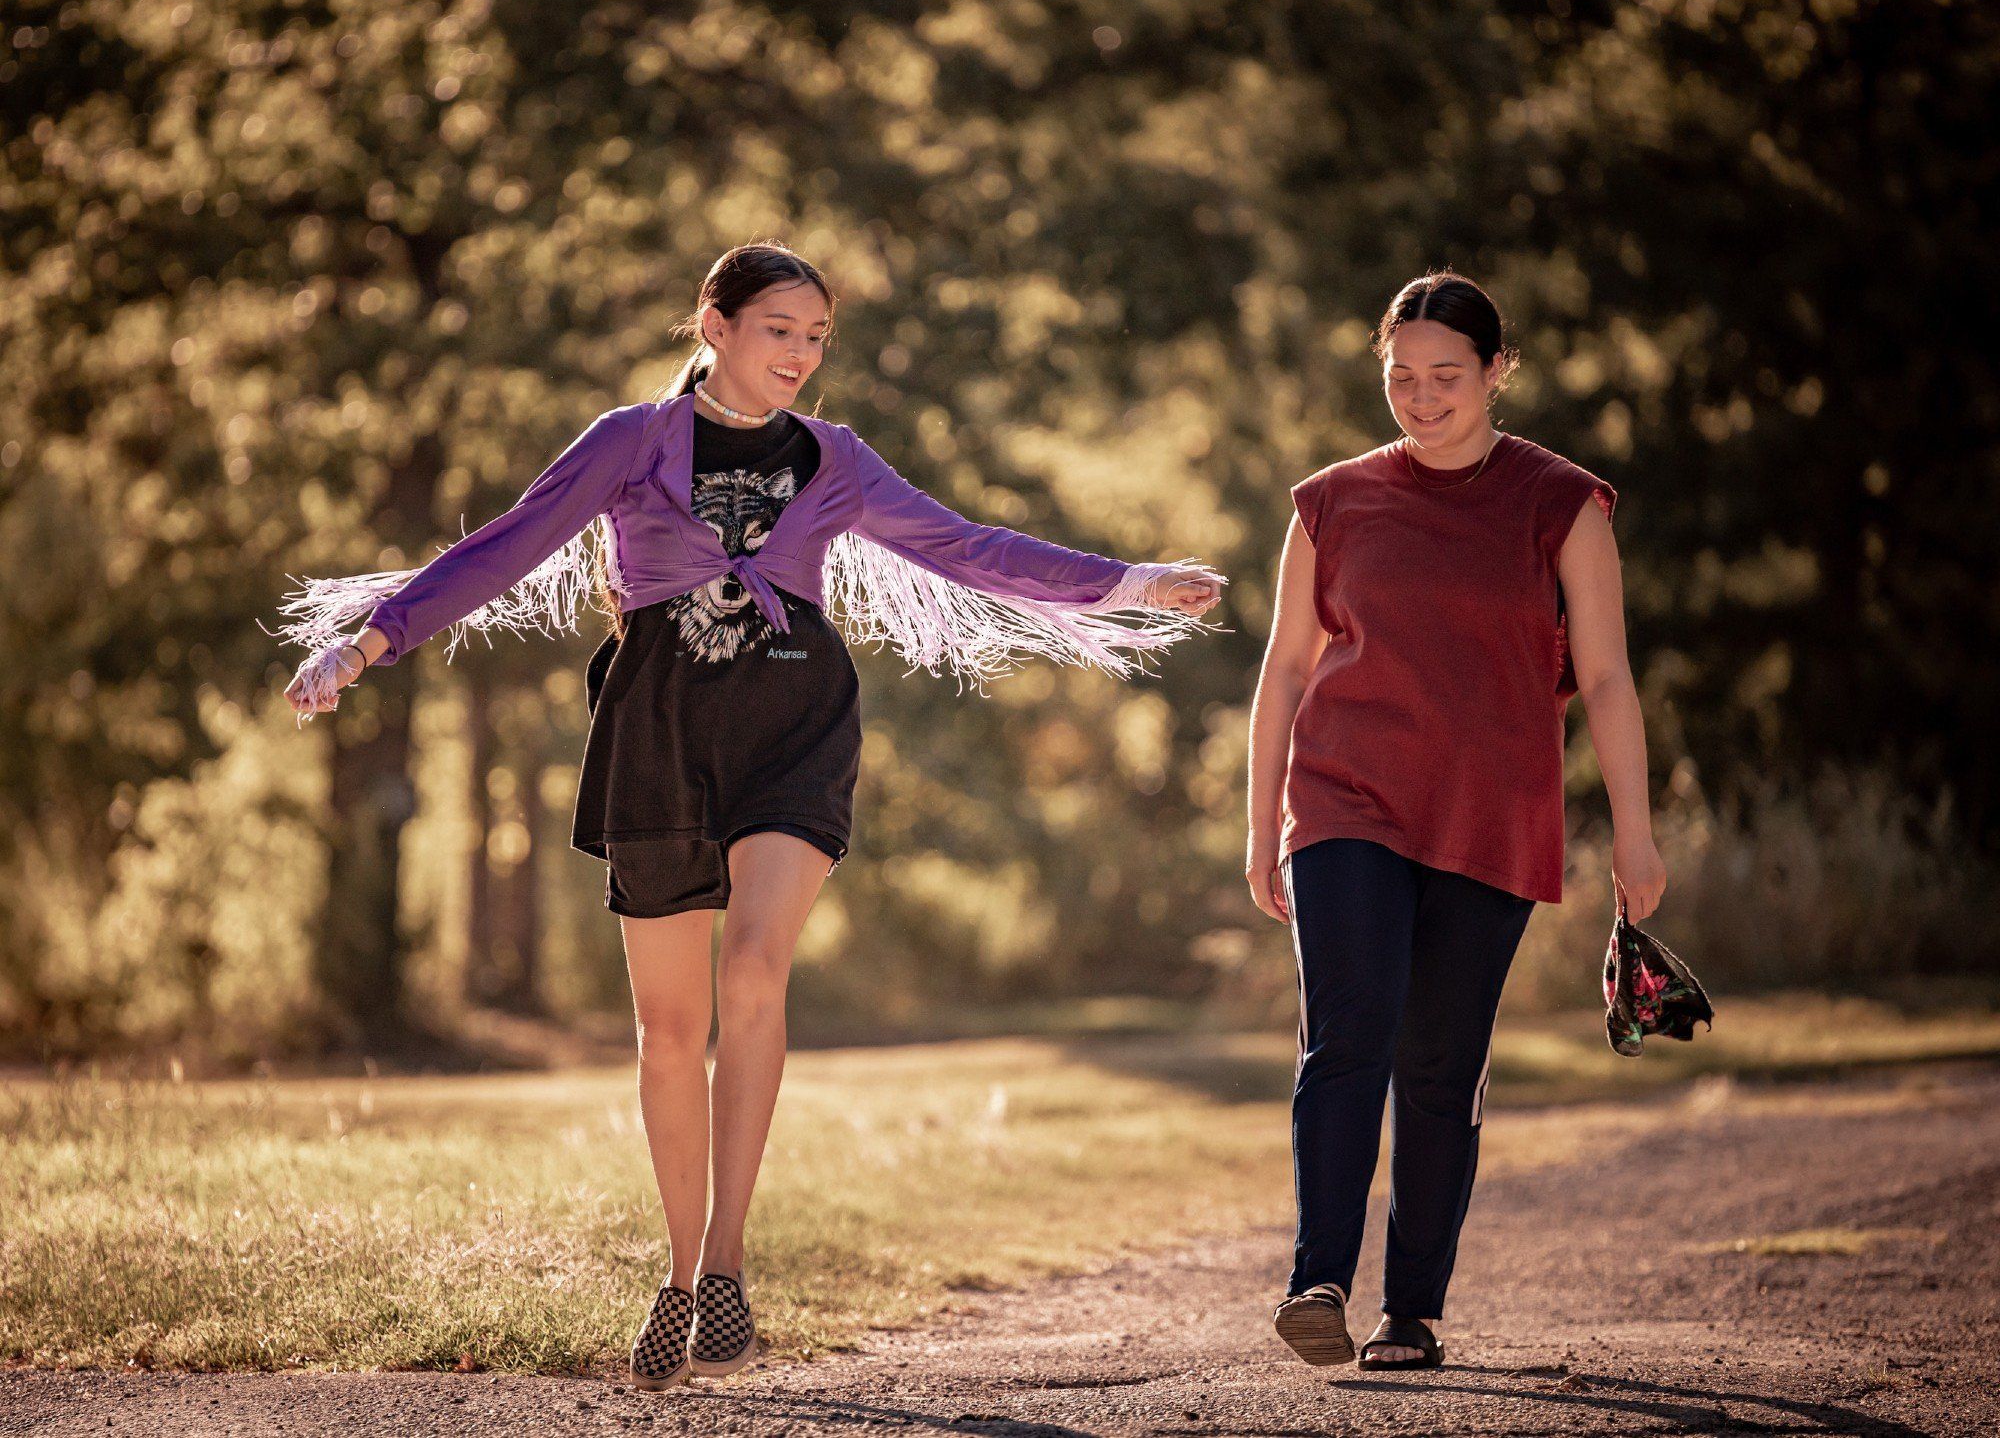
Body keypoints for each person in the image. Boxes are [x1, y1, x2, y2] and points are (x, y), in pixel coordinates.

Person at [273, 241, 1226, 1389]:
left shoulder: (836, 458)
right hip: (658, 732)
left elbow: (969, 548)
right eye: (780, 329)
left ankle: (727, 1259)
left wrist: (1127, 582)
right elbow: (505, 546)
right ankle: (679, 1279)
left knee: (754, 974)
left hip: (793, 725)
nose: (801, 354)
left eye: (817, 336)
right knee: (669, 1033)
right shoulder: (631, 441)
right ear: (711, 325)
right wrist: (370, 637)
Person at [1244, 271, 1665, 1372]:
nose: (1420, 397)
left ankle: (1411, 1310)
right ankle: (1317, 1281)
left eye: (1444, 376)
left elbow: (1609, 679)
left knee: (1438, 1061)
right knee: (1347, 1034)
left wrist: (1634, 834)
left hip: (1490, 809)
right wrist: (1260, 824)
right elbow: (1284, 670)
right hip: (1344, 797)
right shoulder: (1328, 502)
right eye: (1400, 376)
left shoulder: (1560, 501)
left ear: (1495, 372)